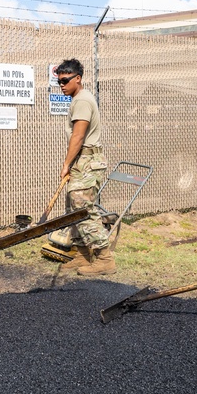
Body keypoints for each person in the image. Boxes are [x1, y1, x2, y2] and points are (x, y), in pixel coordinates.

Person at [54, 59, 112, 276]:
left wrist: (66, 164)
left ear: (77, 78)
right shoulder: (78, 99)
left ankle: (104, 258)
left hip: (87, 160)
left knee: (83, 208)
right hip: (82, 160)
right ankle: (82, 253)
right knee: (74, 208)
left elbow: (78, 137)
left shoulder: (82, 101)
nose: (61, 85)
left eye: (65, 80)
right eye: (59, 81)